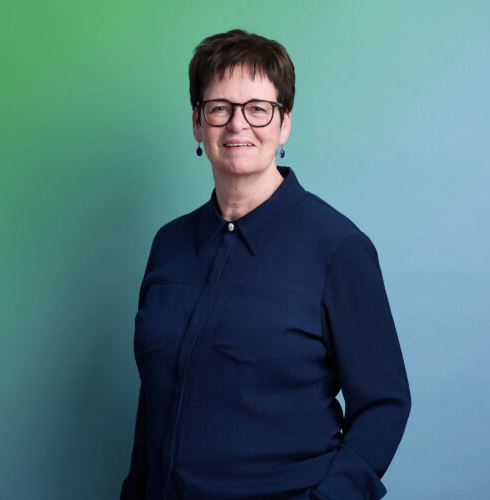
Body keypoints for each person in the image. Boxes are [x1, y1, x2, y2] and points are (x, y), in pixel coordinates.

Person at [120, 29, 411, 500]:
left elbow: (385, 405)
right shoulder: (168, 245)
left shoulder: (337, 247)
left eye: (258, 108)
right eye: (219, 108)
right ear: (197, 123)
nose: (238, 125)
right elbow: (155, 399)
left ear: (284, 124)